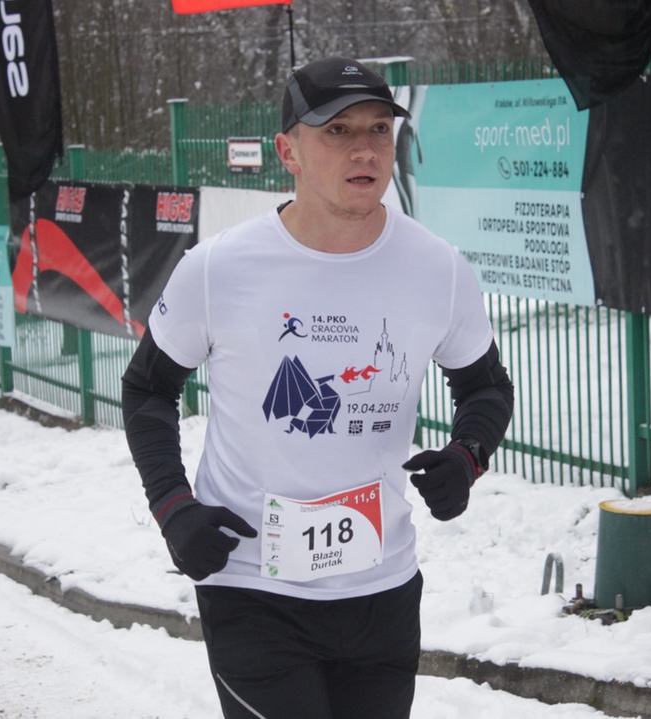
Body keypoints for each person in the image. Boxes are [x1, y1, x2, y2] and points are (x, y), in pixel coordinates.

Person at [121, 56, 514, 719]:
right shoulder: (219, 268)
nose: (365, 149)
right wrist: (172, 507)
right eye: (337, 130)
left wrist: (466, 455)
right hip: (253, 589)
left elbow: (486, 387)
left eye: (379, 129)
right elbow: (147, 391)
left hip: (383, 590)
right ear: (288, 151)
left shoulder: (437, 268)